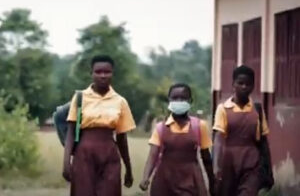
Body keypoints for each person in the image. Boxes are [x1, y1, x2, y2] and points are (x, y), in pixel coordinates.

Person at [62, 55, 136, 196]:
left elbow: (121, 138)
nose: (103, 75)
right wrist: (66, 162)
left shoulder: (120, 101)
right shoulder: (80, 98)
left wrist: (128, 169)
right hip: (84, 155)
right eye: (98, 72)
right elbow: (71, 132)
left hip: (110, 155)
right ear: (91, 73)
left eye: (107, 72)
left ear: (112, 74)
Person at [139, 83, 214, 196]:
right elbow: (153, 155)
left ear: (190, 101)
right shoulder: (161, 128)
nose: (179, 101)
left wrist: (212, 181)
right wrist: (145, 177)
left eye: (183, 98)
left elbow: (206, 157)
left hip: (190, 180)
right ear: (169, 100)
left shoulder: (199, 126)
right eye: (175, 98)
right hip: (164, 180)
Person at [213, 65, 271, 196]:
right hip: (228, 163)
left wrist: (268, 170)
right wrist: (216, 167)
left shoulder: (257, 110)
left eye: (248, 84)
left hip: (251, 162)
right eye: (240, 83)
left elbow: (263, 141)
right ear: (233, 84)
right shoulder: (223, 109)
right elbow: (218, 139)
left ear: (253, 86)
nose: (244, 87)